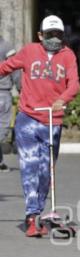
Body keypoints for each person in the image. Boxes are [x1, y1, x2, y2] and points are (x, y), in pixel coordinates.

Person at [0, 15, 80, 237]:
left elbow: (74, 84)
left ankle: (41, 211)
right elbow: (6, 67)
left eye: (59, 35)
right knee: (29, 166)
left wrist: (62, 99)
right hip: (27, 119)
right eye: (50, 34)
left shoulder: (67, 56)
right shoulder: (29, 51)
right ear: (40, 35)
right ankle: (31, 215)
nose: (55, 38)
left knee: (45, 170)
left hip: (52, 121)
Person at [0, 38, 21, 172]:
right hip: (2, 93)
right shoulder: (6, 46)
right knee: (2, 127)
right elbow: (15, 69)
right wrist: (21, 88)